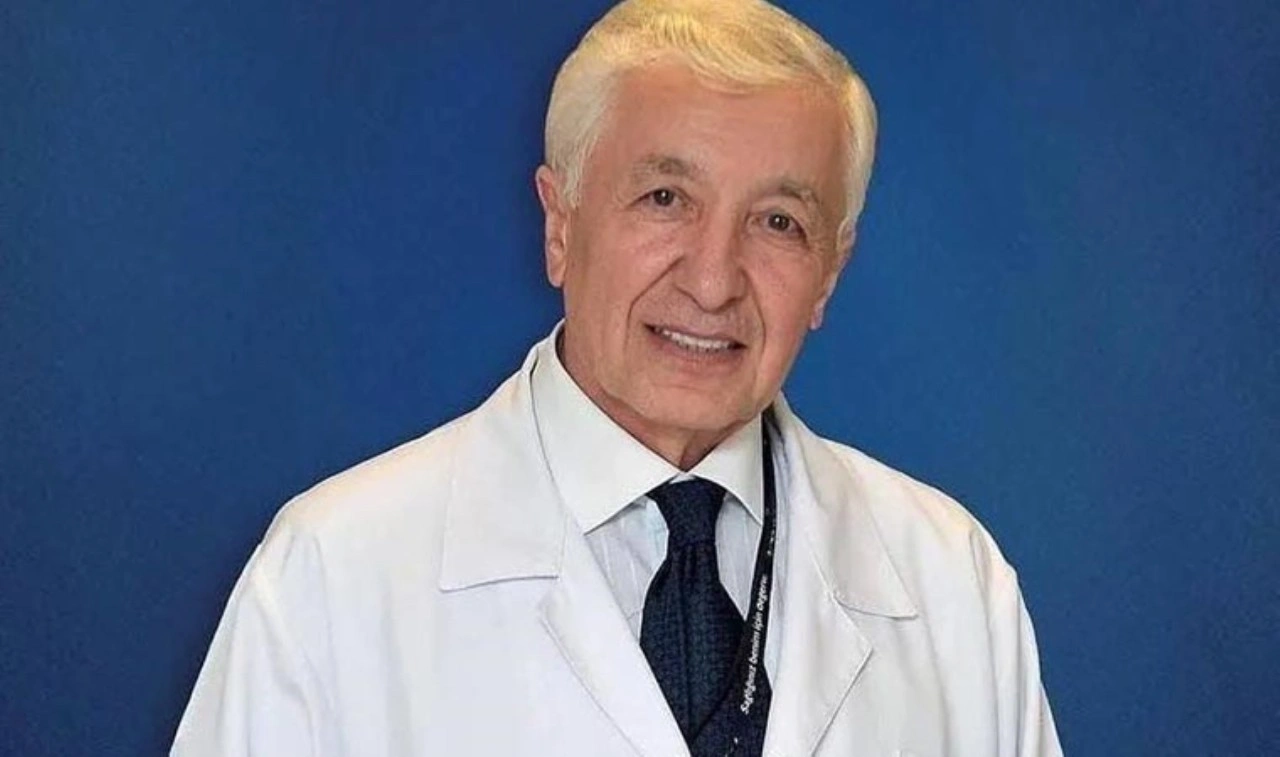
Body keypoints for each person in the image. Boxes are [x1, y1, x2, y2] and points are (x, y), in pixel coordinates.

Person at [172, 1, 1063, 755]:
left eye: (778, 222)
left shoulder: (951, 583)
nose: (712, 281)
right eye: (665, 199)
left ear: (829, 273)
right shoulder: (332, 577)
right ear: (560, 224)